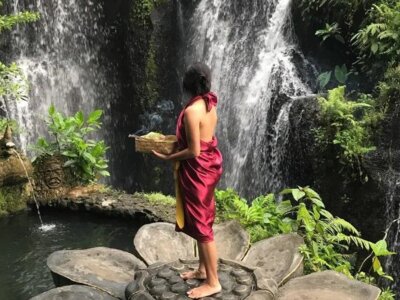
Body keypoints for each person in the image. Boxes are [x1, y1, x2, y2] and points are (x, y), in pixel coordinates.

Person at [152, 62, 223, 299]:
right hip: (209, 168)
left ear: (187, 84)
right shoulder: (209, 105)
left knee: (202, 227)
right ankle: (204, 270)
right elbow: (203, 139)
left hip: (198, 172)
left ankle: (213, 282)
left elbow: (193, 150)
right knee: (203, 220)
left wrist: (168, 156)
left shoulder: (192, 111)